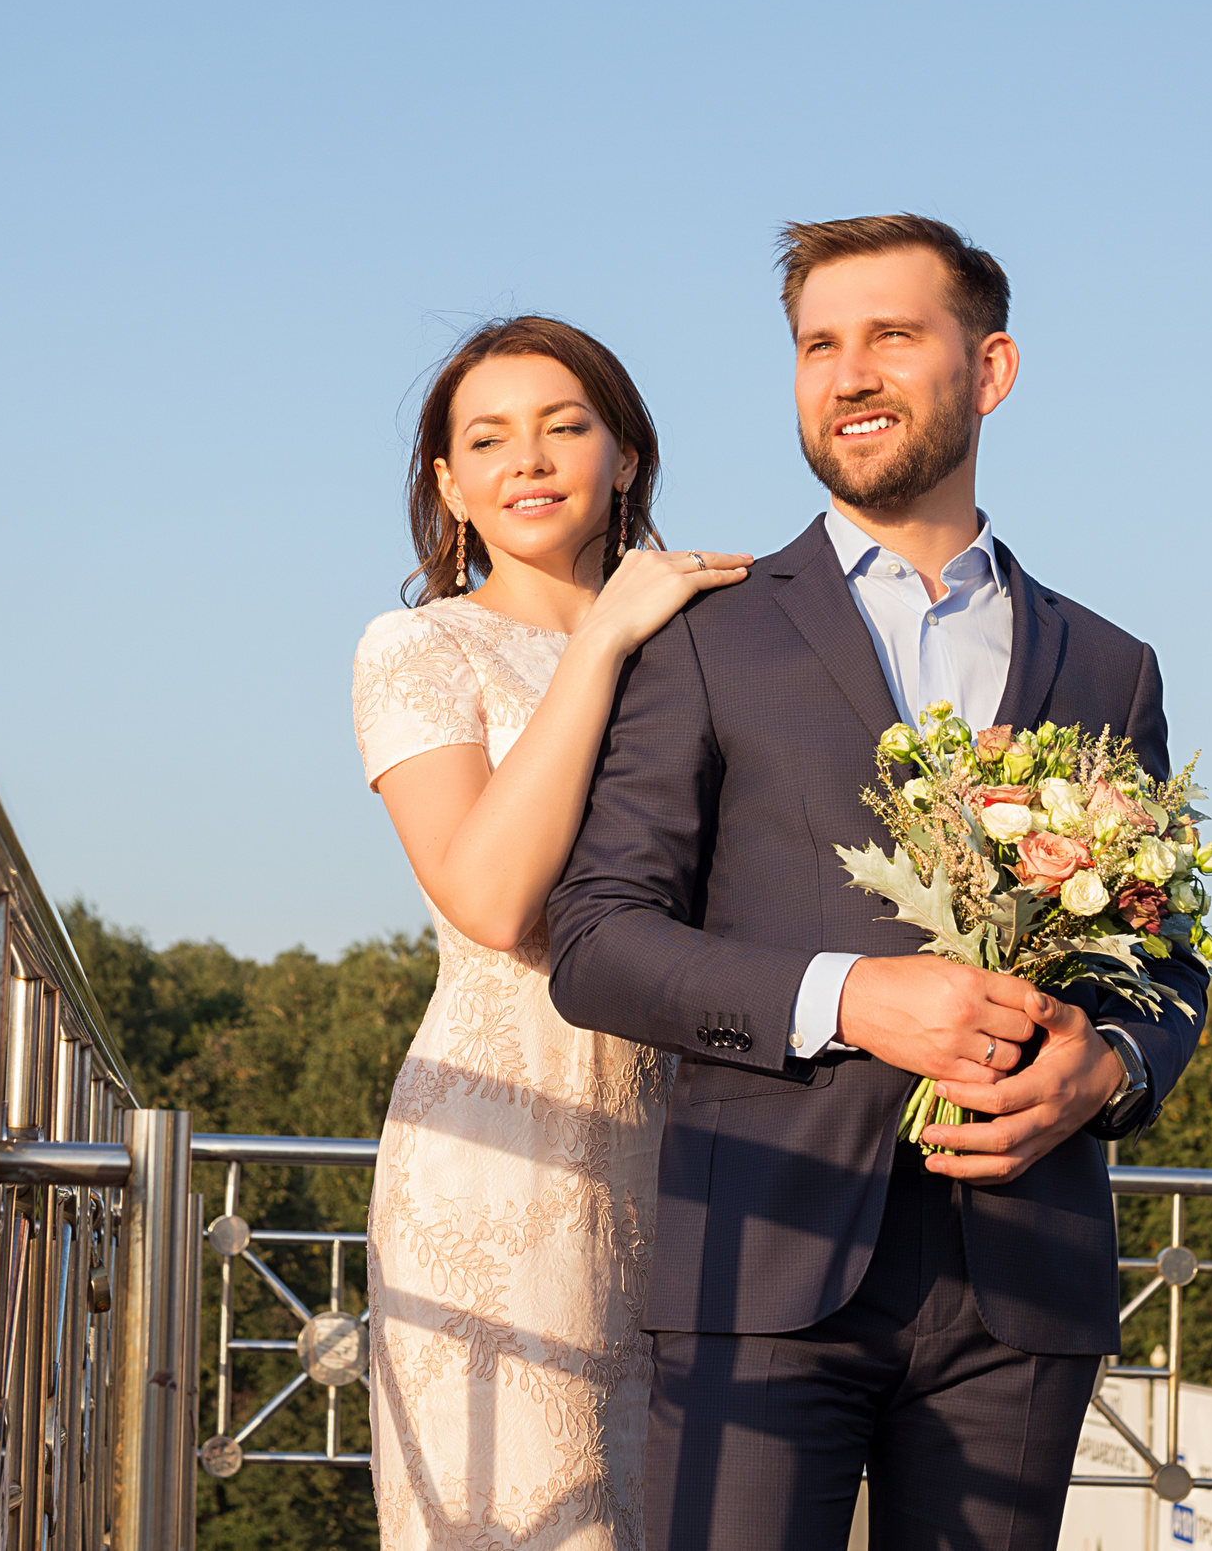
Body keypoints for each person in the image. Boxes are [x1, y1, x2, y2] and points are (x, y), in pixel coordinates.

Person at [546, 215, 1211, 1551]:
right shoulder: (705, 633)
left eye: (892, 337)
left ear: (992, 367)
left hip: (1023, 1287)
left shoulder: (1109, 666)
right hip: (761, 1258)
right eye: (818, 345)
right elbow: (598, 941)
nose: (849, 374)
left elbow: (1169, 962)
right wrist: (852, 997)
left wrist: (1111, 1068)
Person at [351, 315, 752, 1551]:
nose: (527, 460)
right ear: (449, 484)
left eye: (563, 426)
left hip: (698, 1153)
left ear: (623, 457)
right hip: (499, 1147)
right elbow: (490, 899)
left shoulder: (715, 647)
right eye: (488, 438)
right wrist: (604, 643)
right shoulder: (417, 646)